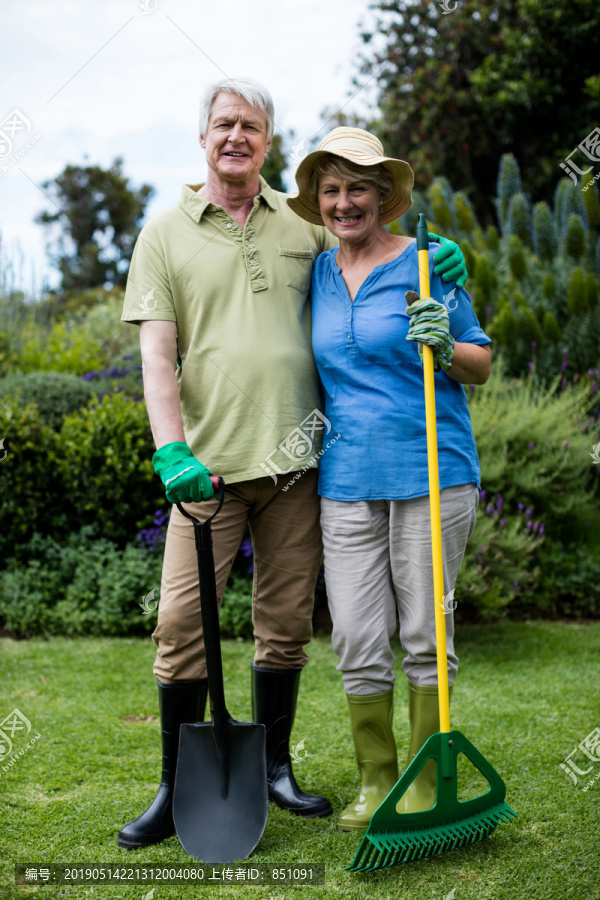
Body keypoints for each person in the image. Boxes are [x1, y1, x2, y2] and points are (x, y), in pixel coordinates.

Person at [118, 79, 470, 849]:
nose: (236, 136)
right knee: (180, 624)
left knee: (283, 629)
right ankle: (177, 788)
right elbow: (156, 355)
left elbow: (367, 251)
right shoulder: (164, 233)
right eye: (223, 124)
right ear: (202, 136)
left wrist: (435, 261)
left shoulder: (300, 223)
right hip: (204, 474)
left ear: (268, 142)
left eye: (251, 125)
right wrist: (169, 447)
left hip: (300, 467)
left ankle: (275, 770)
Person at [287, 126, 492, 831]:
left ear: (385, 198)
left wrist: (446, 341)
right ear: (319, 202)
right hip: (345, 479)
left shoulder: (431, 264)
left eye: (359, 190)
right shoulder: (315, 272)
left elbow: (480, 363)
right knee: (355, 637)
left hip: (432, 470)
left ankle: (427, 778)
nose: (345, 203)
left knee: (426, 634)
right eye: (332, 190)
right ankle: (377, 779)